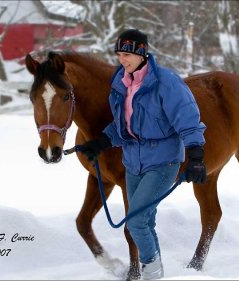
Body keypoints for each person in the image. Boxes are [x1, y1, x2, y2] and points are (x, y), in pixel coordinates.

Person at [79, 29, 206, 280]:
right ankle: (156, 273)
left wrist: (196, 156)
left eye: (127, 54)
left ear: (141, 53)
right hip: (133, 162)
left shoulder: (166, 82)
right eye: (119, 54)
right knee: (145, 222)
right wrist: (102, 142)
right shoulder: (121, 82)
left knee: (135, 222)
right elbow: (121, 124)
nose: (122, 59)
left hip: (163, 161)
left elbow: (189, 121)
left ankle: (152, 274)